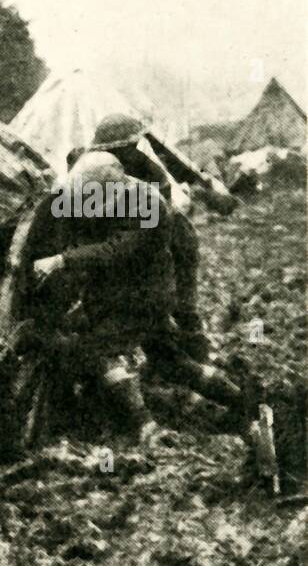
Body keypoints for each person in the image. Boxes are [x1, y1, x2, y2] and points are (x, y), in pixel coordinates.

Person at [32, 115, 240, 440]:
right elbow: (76, 216)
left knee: (99, 351)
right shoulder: (115, 181)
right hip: (139, 290)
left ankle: (147, 427)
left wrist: (61, 261)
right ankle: (242, 400)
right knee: (170, 361)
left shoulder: (151, 207)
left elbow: (115, 250)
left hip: (144, 294)